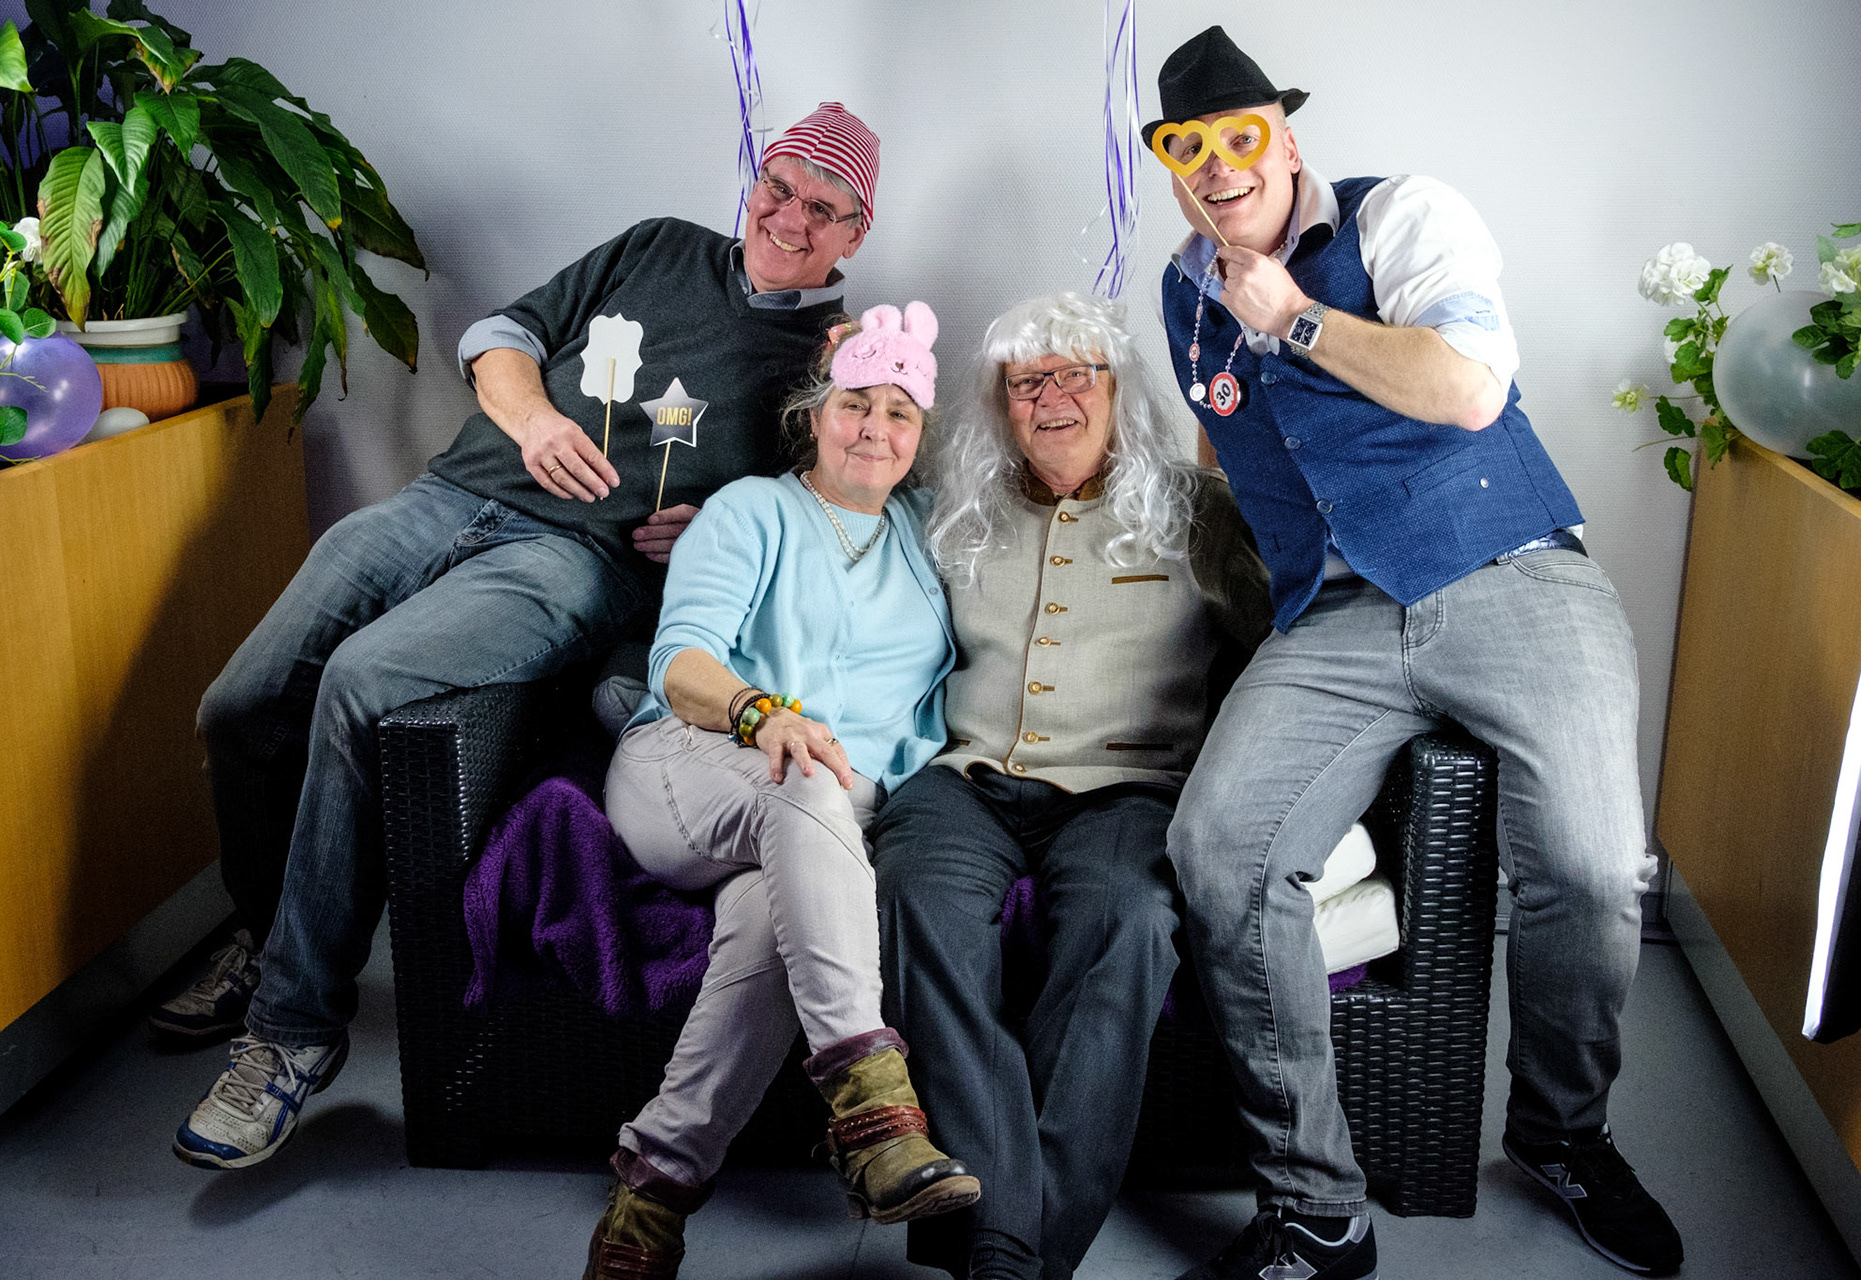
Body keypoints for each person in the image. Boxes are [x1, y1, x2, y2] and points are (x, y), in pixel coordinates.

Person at [167, 103, 884, 1171]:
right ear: (756, 181)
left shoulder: (836, 359)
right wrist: (537, 422)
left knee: (361, 679)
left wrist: (712, 526)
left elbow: (817, 518)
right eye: (779, 187)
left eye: (823, 210)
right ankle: (265, 928)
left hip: (575, 560)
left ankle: (293, 1028)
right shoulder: (656, 245)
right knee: (239, 701)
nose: (790, 218)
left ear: (856, 232)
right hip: (448, 493)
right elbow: (500, 337)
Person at [1145, 27, 1682, 1280]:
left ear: (1286, 139)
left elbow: (1472, 387)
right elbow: (1230, 445)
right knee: (1219, 850)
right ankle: (1315, 1204)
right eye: (1188, 149)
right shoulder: (1183, 289)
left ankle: (1563, 1130)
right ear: (1171, 167)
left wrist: (1297, 321)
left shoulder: (1400, 215)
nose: (1220, 168)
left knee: (1593, 867)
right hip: (1334, 617)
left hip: (1507, 568)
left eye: (1242, 137)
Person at [868, 292, 1271, 1280]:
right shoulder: (951, 507)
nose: (1052, 397)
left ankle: (1005, 1249)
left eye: (1076, 374)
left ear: (1119, 388)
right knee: (914, 894)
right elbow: (836, 534)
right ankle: (1018, 1248)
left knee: (1129, 918)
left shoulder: (1198, 509)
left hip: (1129, 788)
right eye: (1026, 382)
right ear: (1001, 405)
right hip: (967, 777)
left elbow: (1286, 636)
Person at [586, 302, 979, 1280]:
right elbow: (681, 658)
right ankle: (875, 1114)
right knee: (807, 781)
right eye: (855, 405)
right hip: (694, 763)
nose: (875, 429)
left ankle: (648, 1204)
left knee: (773, 916)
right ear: (815, 415)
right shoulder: (752, 510)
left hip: (822, 819)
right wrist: (762, 713)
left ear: (920, 434)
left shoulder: (929, 533)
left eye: (899, 412)